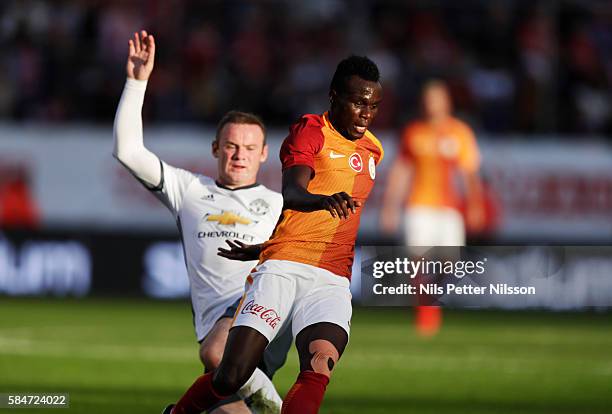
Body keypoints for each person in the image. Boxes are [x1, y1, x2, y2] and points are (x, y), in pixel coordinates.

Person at [165, 55, 384, 414]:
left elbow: (317, 226)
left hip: (331, 277)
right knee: (230, 375)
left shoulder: (373, 150)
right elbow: (294, 192)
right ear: (333, 97)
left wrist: (269, 242)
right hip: (282, 271)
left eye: (373, 106)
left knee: (319, 363)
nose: (366, 113)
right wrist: (321, 201)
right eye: (358, 102)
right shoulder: (310, 131)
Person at [113, 30, 289, 414]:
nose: (238, 155)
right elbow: (127, 150)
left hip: (259, 311)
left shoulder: (277, 205)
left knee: (216, 353)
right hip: (215, 322)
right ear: (215, 149)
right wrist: (136, 82)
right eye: (230, 146)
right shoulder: (189, 189)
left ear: (263, 155)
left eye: (248, 148)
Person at [380, 79, 485, 335]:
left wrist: (475, 204)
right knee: (418, 261)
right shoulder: (414, 131)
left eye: (436, 98)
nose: (431, 104)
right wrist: (390, 206)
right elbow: (401, 170)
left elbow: (469, 173)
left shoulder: (459, 132)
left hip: (449, 207)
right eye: (428, 99)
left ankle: (431, 298)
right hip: (419, 205)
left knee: (450, 263)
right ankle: (426, 312)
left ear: (446, 102)